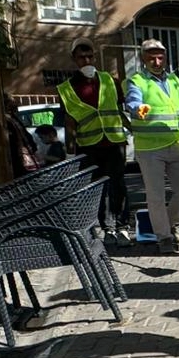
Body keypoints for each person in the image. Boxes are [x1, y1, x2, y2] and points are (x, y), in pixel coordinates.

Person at [125, 38, 179, 253]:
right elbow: (132, 101)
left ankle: (169, 224)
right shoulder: (137, 80)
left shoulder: (174, 80)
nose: (156, 61)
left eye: (160, 57)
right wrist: (138, 108)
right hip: (150, 149)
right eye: (151, 57)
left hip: (176, 143)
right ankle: (164, 236)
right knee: (155, 194)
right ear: (143, 59)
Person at [57, 38, 132, 243]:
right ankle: (107, 228)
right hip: (89, 146)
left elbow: (119, 110)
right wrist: (70, 153)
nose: (87, 60)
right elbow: (70, 123)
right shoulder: (67, 88)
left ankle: (123, 226)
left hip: (115, 143)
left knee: (118, 185)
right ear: (74, 59)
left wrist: (134, 129)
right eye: (82, 57)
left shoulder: (109, 80)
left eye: (90, 56)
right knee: (98, 189)